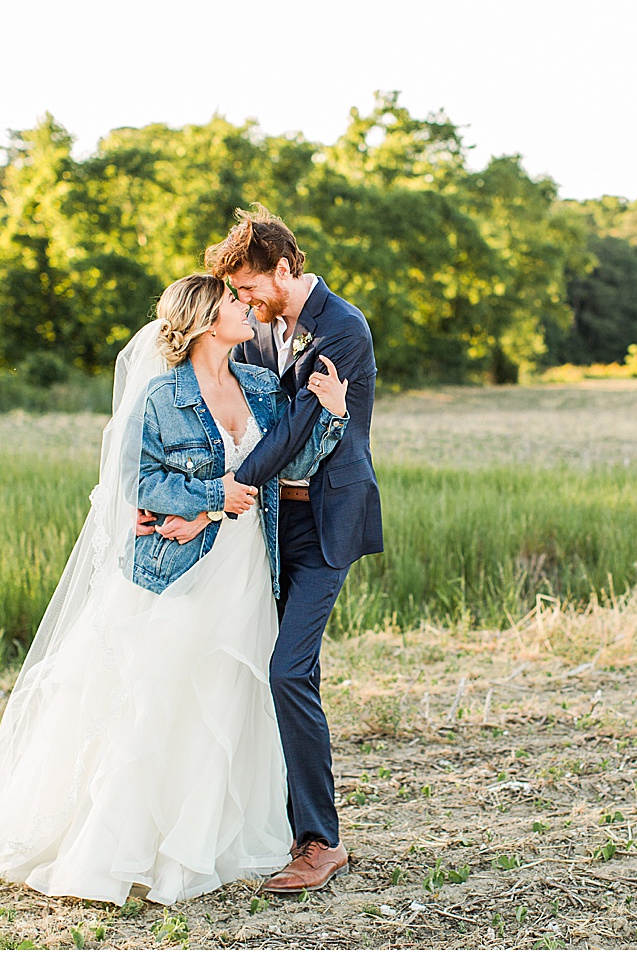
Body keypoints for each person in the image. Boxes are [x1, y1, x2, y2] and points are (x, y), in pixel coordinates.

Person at [0, 274, 350, 906]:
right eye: (233, 302)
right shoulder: (163, 396)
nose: (245, 307)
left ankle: (206, 838)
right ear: (205, 320)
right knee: (162, 692)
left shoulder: (259, 385)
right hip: (181, 567)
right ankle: (129, 840)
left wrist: (331, 415)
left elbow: (293, 465)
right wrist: (209, 497)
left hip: (249, 565)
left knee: (226, 694)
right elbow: (138, 484)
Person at [199, 206, 384, 893]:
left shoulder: (343, 327)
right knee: (259, 666)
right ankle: (274, 826)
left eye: (249, 286)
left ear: (284, 267)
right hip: (274, 523)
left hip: (329, 519)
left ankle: (320, 840)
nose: (242, 300)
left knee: (287, 668)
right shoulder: (252, 333)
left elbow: (297, 427)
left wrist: (226, 488)